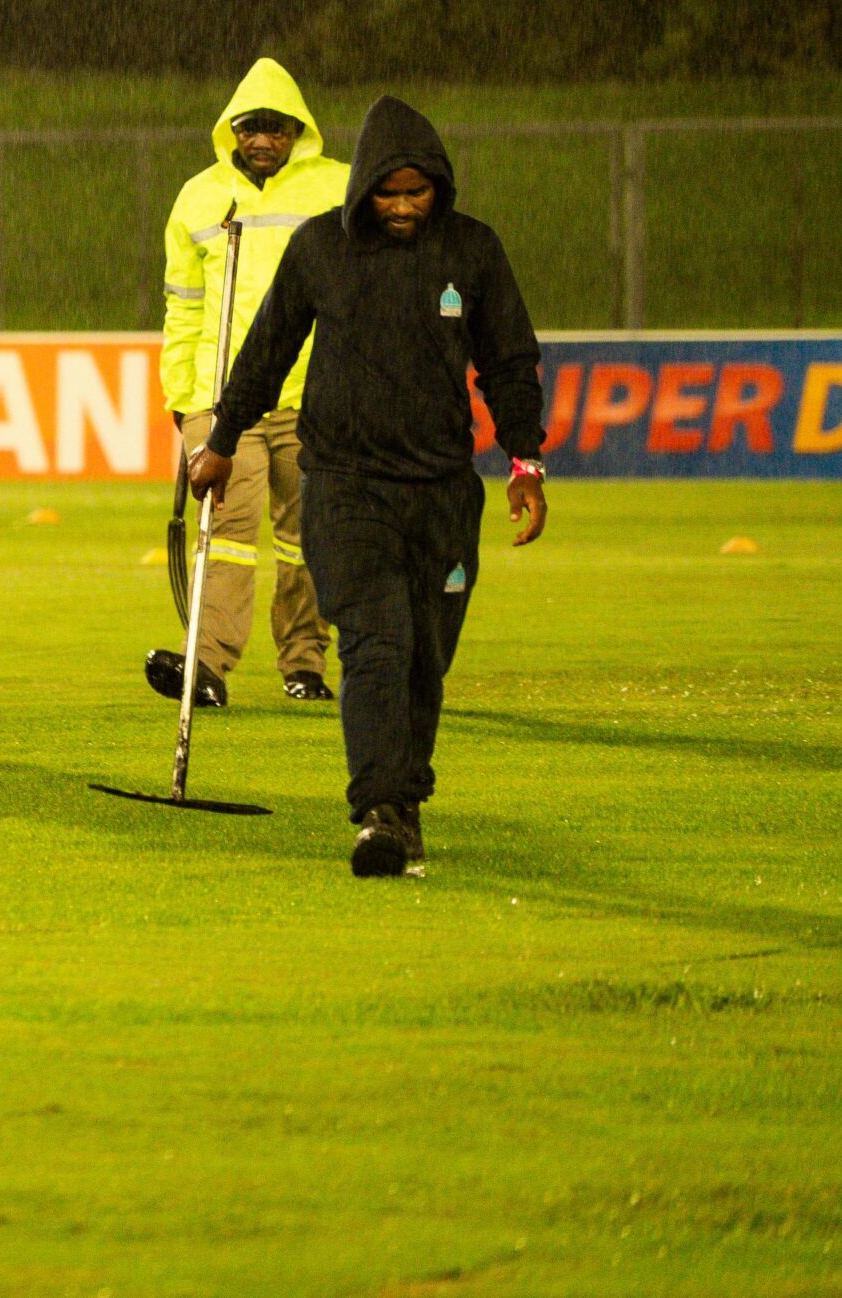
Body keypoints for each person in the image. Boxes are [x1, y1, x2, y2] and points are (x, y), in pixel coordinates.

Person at [191, 94, 547, 877]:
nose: (403, 207)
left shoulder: (474, 253)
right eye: (389, 192)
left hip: (444, 496)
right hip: (347, 488)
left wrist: (526, 462)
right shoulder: (322, 249)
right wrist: (220, 441)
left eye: (417, 193)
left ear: (439, 189)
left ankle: (404, 797)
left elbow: (511, 362)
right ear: (364, 189)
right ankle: (380, 811)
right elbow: (266, 351)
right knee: (379, 639)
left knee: (426, 656)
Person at [150, 58, 348, 708]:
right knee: (227, 529)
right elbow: (181, 306)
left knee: (306, 537)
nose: (262, 140)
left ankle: (304, 664)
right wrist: (182, 398)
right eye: (250, 127)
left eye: (276, 128)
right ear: (231, 129)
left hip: (312, 397)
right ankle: (206, 666)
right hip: (222, 399)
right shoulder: (199, 197)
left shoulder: (340, 189)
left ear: (298, 129)